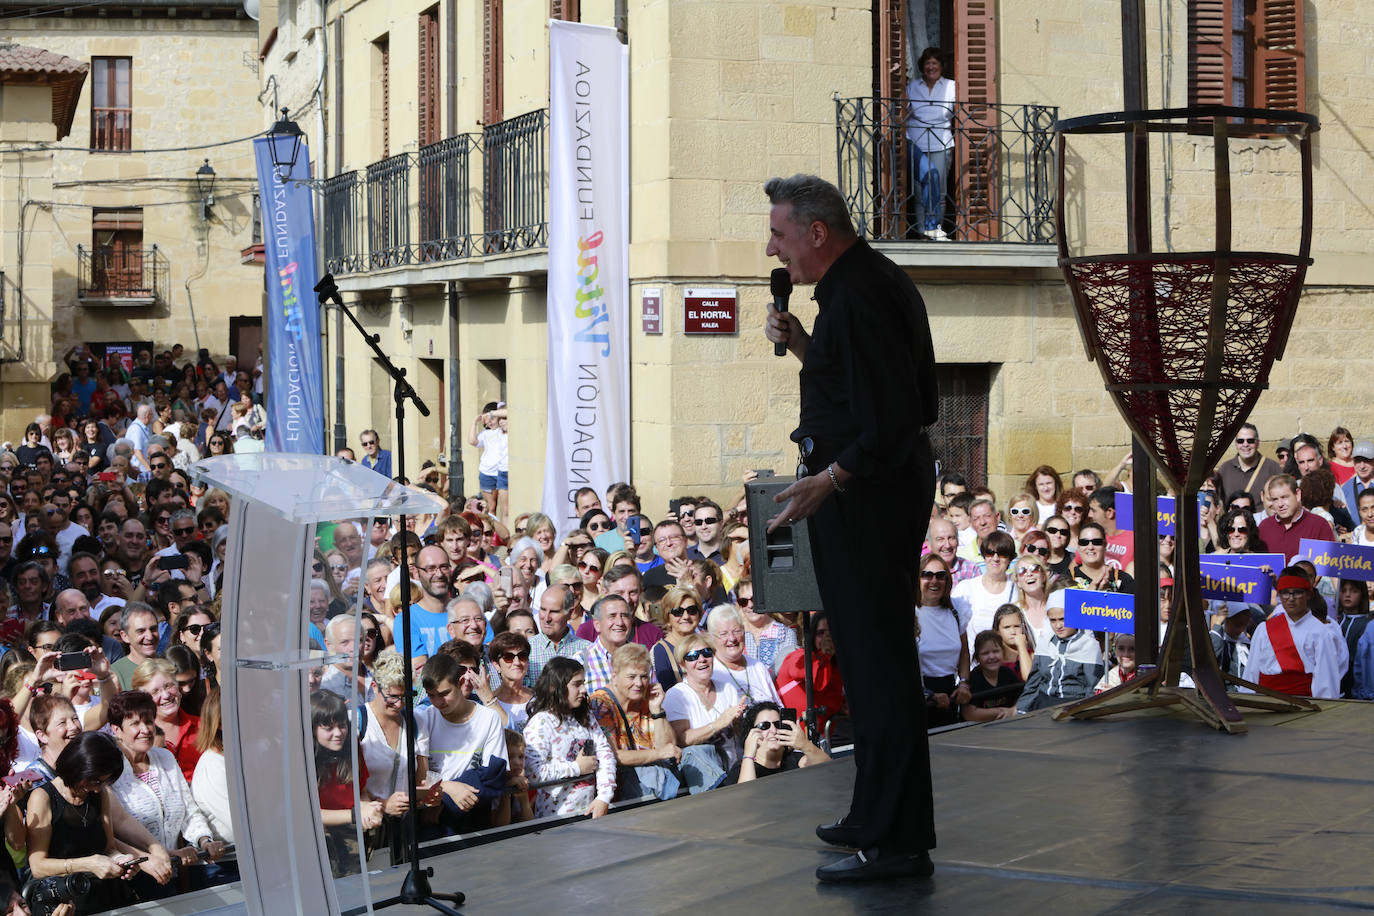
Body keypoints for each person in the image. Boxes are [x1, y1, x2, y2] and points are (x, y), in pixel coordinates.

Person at [762, 173, 936, 881]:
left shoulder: (861, 295)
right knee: (868, 670)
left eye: (778, 234)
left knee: (880, 668)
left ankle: (896, 843)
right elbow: (860, 389)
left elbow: (893, 418)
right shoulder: (853, 290)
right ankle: (874, 816)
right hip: (861, 496)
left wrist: (828, 481)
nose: (771, 248)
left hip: (867, 502)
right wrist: (805, 343)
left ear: (816, 234)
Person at [25, 732, 150, 912]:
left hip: (107, 897)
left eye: (104, 782)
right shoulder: (43, 798)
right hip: (66, 902)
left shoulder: (100, 795)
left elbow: (108, 848)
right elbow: (37, 866)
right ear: (77, 767)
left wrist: (121, 860)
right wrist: (87, 864)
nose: (98, 788)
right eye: (95, 780)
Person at [416, 648, 508, 834]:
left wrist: (446, 802)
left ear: (459, 683)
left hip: (473, 819)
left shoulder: (488, 719)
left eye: (444, 693)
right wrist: (447, 788)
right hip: (431, 822)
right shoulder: (424, 719)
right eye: (431, 695)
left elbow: (494, 774)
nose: (438, 702)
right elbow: (419, 777)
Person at [588, 643, 685, 801]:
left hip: (655, 776)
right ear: (615, 676)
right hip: (622, 785)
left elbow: (669, 746)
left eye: (644, 676)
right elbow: (614, 756)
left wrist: (657, 710)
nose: (639, 684)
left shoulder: (647, 698)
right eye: (631, 677)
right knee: (648, 773)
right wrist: (658, 754)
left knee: (699, 752)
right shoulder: (601, 703)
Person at [522, 657, 616, 818]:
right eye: (576, 684)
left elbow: (604, 753)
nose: (584, 689)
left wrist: (604, 797)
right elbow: (534, 773)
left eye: (583, 683)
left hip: (590, 810)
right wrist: (577, 768)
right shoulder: (541, 723)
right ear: (554, 687)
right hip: (556, 818)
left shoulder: (585, 717)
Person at [1244, 567, 1343, 699]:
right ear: (1279, 595)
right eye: (1285, 593)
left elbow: (1326, 680)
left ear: (1308, 594)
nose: (1291, 598)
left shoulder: (1321, 632)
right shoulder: (1264, 629)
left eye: (1297, 593)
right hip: (1265, 703)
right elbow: (1251, 672)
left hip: (1303, 705)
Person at [662, 633, 742, 792]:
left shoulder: (727, 687)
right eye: (692, 656)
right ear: (683, 665)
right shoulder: (677, 695)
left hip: (735, 767)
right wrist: (718, 724)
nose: (701, 659)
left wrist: (739, 721)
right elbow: (681, 739)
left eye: (706, 653)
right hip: (703, 778)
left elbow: (739, 734)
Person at [905, 47, 956, 241]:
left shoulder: (951, 86)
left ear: (941, 66)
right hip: (916, 142)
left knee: (939, 191)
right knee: (920, 192)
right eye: (927, 63)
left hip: (941, 143)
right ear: (922, 66)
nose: (931, 67)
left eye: (935, 63)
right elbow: (904, 111)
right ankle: (922, 232)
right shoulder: (912, 86)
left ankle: (935, 230)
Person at [1015, 604, 1104, 713]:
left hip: (1073, 706)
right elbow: (1033, 682)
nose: (1058, 625)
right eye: (1053, 620)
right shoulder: (1045, 642)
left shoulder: (1089, 645)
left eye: (1063, 619)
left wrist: (1086, 714)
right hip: (1043, 704)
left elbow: (1093, 686)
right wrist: (1022, 708)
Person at [915, 554, 970, 727]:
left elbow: (964, 652)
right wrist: (928, 695)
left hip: (951, 695)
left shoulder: (956, 610)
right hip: (920, 697)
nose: (934, 581)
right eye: (927, 575)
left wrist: (963, 683)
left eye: (940, 575)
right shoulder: (909, 613)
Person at [726, 701, 827, 785]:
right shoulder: (742, 768)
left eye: (777, 724)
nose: (773, 730)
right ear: (750, 733)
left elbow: (831, 771)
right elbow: (745, 797)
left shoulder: (796, 760)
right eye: (764, 726)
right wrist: (748, 755)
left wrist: (805, 745)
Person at [952, 530, 1016, 641]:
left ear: (1010, 558)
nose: (995, 558)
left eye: (1002, 554)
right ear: (984, 555)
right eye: (990, 552)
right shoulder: (965, 588)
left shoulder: (1017, 590)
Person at [1258, 474, 1335, 562]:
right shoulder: (1264, 527)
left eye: (1284, 497)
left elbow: (1326, 566)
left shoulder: (1319, 525)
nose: (1280, 504)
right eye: (1275, 499)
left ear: (1298, 494)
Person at [959, 631, 1022, 721]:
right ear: (977, 657)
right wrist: (1002, 712)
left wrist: (1013, 710)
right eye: (985, 653)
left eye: (996, 651)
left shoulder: (1008, 674)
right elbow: (969, 714)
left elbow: (1024, 698)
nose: (991, 656)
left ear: (1003, 652)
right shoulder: (973, 678)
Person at [469, 404, 509, 526]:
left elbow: (509, 413)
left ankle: (499, 530)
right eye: (488, 420)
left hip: (501, 472)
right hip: (487, 473)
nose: (491, 422)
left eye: (493, 419)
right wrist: (475, 422)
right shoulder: (485, 434)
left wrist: (492, 414)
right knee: (491, 506)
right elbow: (472, 441)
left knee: (504, 507)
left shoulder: (503, 431)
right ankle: (489, 530)